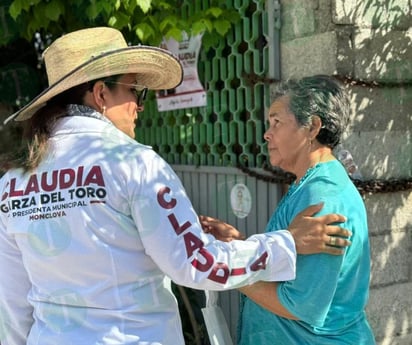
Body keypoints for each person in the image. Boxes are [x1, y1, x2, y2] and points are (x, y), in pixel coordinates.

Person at [0, 28, 350, 345]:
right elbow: (197, 265)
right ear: (101, 94)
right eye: (134, 91)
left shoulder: (12, 183)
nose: (139, 106)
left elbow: (13, 302)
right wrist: (287, 243)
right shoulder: (133, 163)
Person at [208, 75, 375, 344]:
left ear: (312, 127)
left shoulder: (322, 195)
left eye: (277, 122)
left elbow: (301, 304)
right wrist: (240, 245)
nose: (267, 133)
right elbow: (289, 262)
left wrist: (231, 269)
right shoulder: (309, 183)